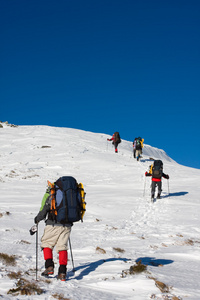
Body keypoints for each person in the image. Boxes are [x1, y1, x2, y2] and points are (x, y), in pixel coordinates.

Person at [34, 179, 72, 281]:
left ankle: (49, 267)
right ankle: (62, 272)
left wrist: (37, 219)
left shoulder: (52, 192)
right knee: (62, 246)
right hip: (67, 224)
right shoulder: (71, 192)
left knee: (47, 243)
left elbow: (44, 208)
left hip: (53, 224)